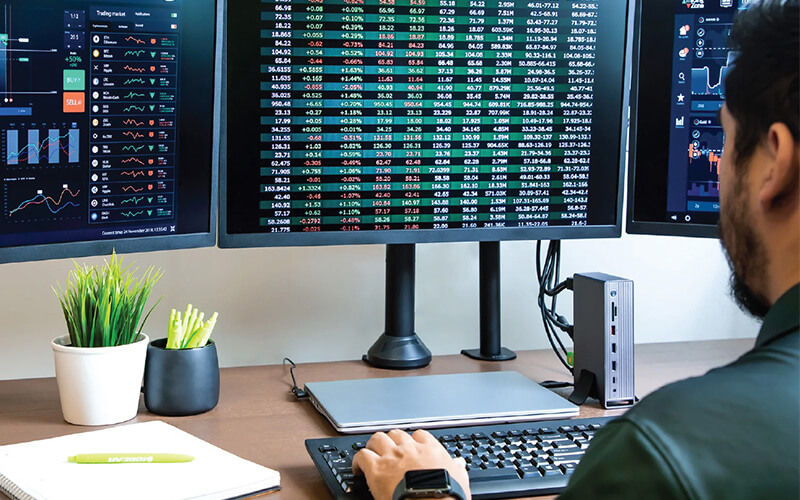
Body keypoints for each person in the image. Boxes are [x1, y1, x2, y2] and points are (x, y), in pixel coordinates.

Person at [351, 0, 800, 498]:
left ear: (774, 162)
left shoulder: (666, 451)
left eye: (724, 141)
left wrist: (426, 489)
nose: (716, 171)